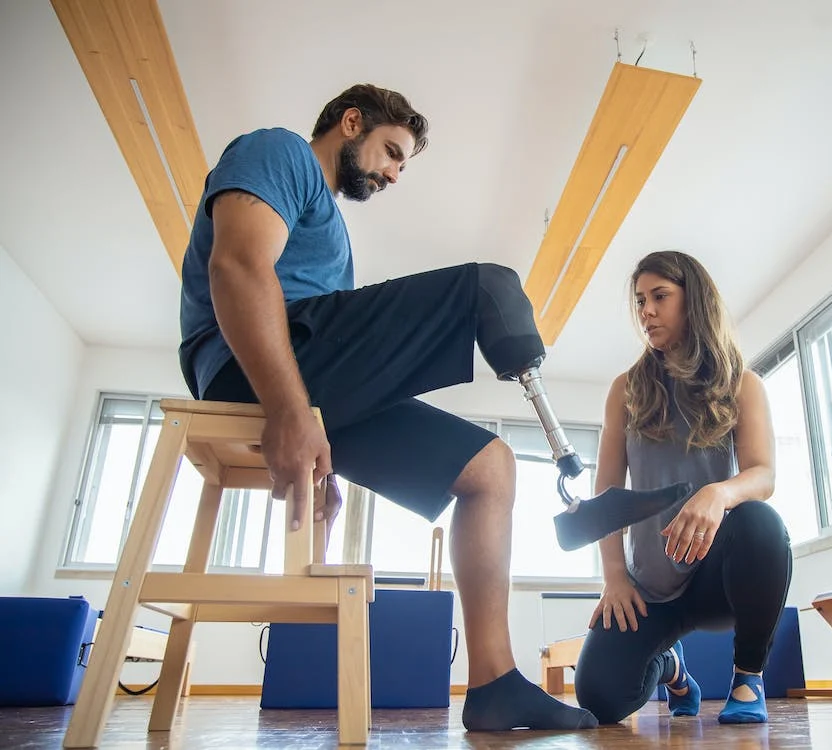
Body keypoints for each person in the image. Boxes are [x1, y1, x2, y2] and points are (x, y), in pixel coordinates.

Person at [178, 83, 597, 732]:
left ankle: (493, 684)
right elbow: (236, 266)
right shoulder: (279, 151)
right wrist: (290, 411)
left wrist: (328, 455)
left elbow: (333, 368)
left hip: (305, 380)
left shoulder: (332, 241)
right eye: (392, 152)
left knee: (491, 468)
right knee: (490, 285)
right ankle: (556, 435)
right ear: (351, 123)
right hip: (245, 367)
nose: (395, 173)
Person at [573, 250, 793, 725]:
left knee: (761, 524)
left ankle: (747, 678)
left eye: (659, 297)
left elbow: (763, 474)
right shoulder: (625, 390)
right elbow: (606, 493)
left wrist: (720, 493)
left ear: (693, 300)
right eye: (639, 301)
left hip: (716, 576)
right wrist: (613, 576)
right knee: (599, 698)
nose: (646, 311)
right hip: (649, 586)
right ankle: (672, 669)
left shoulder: (742, 383)